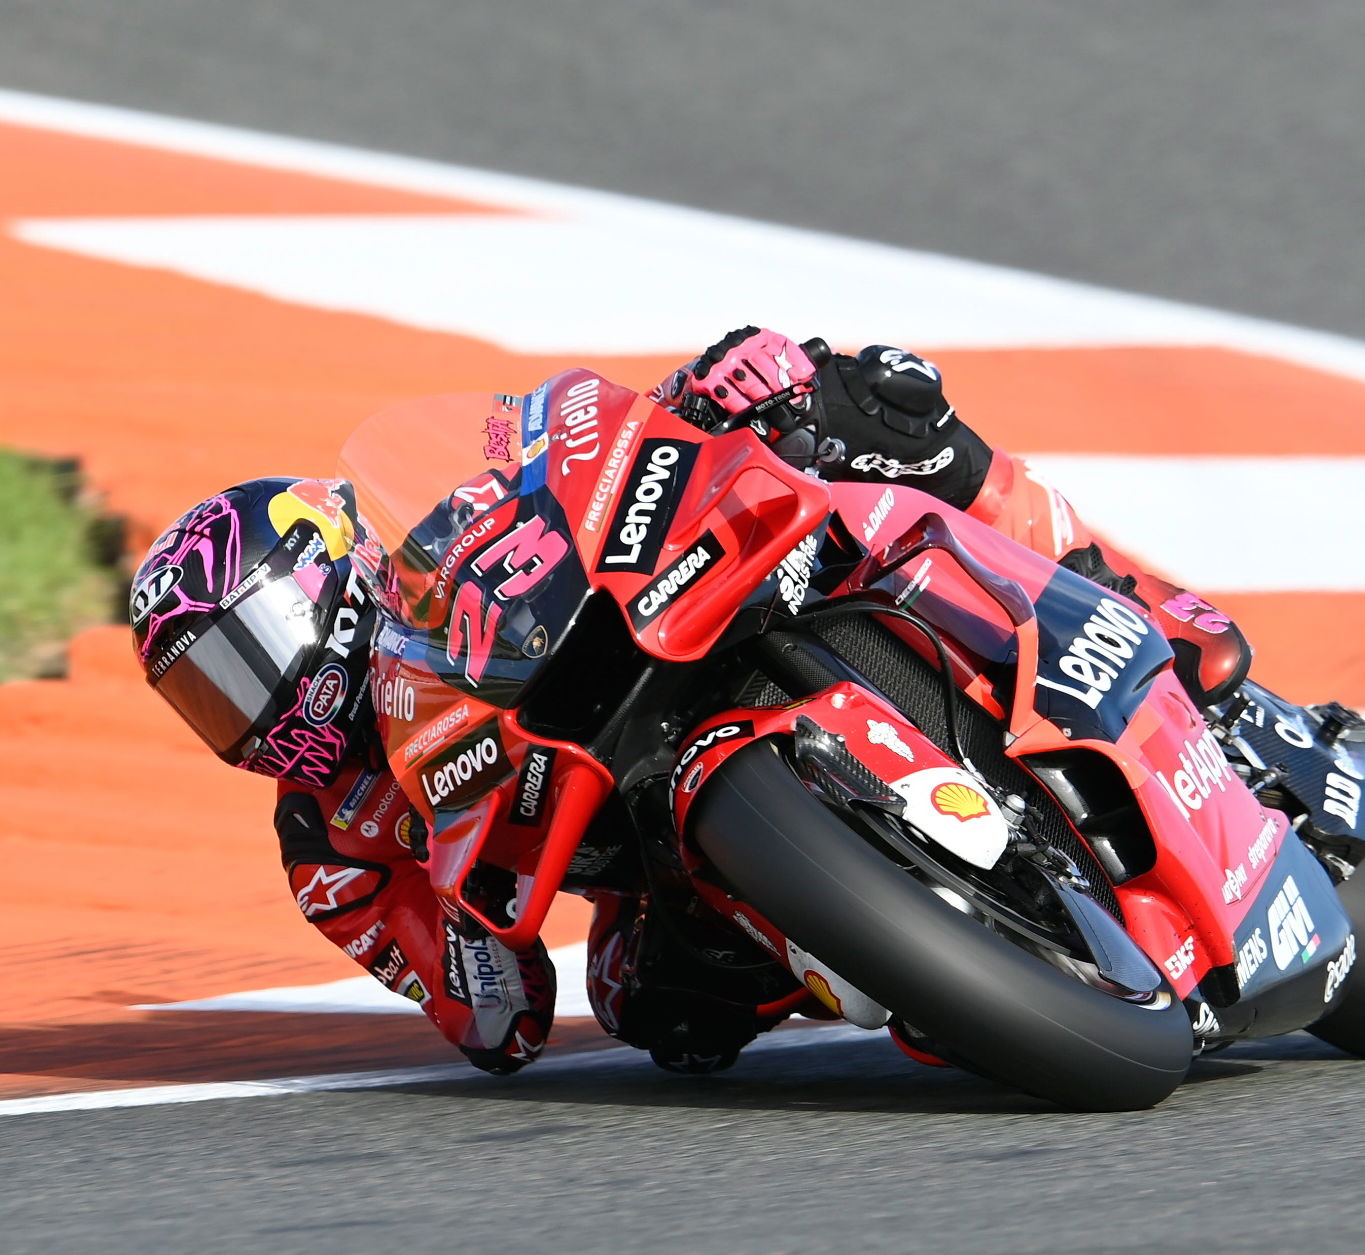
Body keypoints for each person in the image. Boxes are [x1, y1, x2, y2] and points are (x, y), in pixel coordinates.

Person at [128, 326, 1254, 1077]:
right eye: (205, 698)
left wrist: (706, 394)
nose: (248, 708)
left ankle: (1140, 607)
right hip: (635, 851)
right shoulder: (332, 850)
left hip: (666, 633)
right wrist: (466, 939)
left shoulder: (436, 543)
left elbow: (581, 456)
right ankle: (946, 950)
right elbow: (496, 1022)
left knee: (873, 410)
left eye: (244, 656)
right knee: (647, 1011)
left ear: (329, 573)